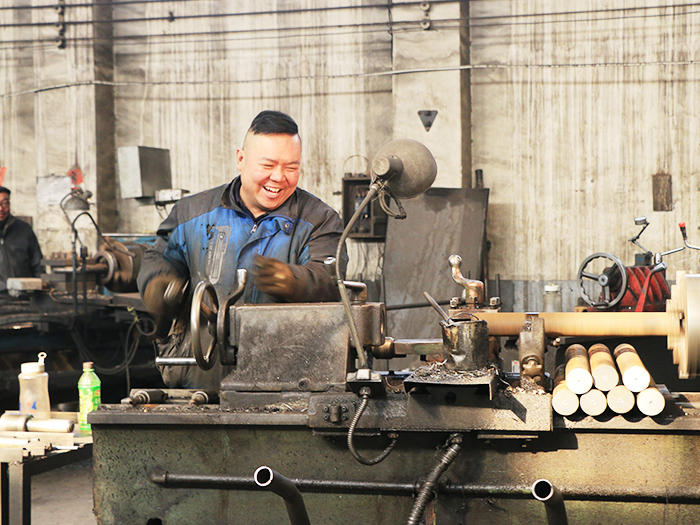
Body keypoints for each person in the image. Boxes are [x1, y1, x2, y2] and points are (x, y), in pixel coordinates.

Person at [137, 110, 348, 388]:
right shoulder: (192, 213)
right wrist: (156, 282)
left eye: (291, 167)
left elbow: (332, 279)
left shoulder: (320, 220)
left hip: (285, 382)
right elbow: (159, 258)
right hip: (200, 378)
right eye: (268, 165)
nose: (279, 177)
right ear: (241, 159)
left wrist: (295, 282)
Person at [0, 186, 43, 295]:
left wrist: (39, 288)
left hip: (24, 295)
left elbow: (37, 263)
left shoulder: (24, 229)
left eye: (5, 203)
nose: (1, 208)